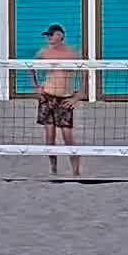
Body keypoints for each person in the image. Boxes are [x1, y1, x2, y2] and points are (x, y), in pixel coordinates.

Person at [30, 24, 83, 177]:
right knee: (50, 139)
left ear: (60, 35)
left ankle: (76, 171)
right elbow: (30, 66)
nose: (49, 38)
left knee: (68, 137)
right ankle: (53, 168)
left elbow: (86, 73)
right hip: (48, 96)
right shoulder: (44, 52)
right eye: (47, 35)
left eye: (51, 35)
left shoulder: (72, 53)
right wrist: (36, 87)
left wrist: (78, 95)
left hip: (65, 98)